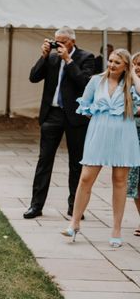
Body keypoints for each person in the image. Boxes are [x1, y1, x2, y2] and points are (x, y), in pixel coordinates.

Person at [61, 49, 140, 247]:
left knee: (120, 181)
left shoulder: (130, 84)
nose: (112, 65)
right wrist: (100, 121)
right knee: (86, 178)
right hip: (98, 135)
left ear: (126, 66)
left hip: (123, 136)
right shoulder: (96, 81)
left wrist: (132, 74)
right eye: (110, 61)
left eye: (117, 63)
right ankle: (74, 222)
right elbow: (85, 105)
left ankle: (116, 229)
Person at [24, 27, 95, 219]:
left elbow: (85, 84)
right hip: (52, 114)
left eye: (62, 42)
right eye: (56, 41)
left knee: (76, 163)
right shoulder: (52, 58)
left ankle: (75, 207)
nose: (59, 45)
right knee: (44, 161)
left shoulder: (87, 57)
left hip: (75, 116)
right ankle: (35, 205)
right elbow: (33, 77)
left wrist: (69, 61)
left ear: (72, 41)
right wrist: (44, 56)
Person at [126, 52, 140, 235]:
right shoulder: (128, 85)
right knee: (136, 183)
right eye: (135, 64)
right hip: (131, 138)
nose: (137, 67)